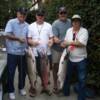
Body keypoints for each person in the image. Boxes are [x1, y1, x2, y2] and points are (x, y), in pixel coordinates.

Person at [61, 14, 88, 100]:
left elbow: (82, 43)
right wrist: (63, 43)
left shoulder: (84, 31)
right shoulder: (69, 30)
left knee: (82, 80)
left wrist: (69, 43)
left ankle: (81, 98)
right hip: (70, 58)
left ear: (80, 22)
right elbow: (65, 41)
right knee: (67, 77)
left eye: (77, 21)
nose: (75, 23)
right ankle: (65, 92)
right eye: (74, 21)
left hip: (81, 59)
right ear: (72, 22)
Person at [28, 9, 53, 96]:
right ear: (36, 16)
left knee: (46, 71)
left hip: (46, 53)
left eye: (42, 15)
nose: (40, 17)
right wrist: (32, 42)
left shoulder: (49, 26)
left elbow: (51, 38)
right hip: (35, 53)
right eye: (38, 15)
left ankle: (45, 87)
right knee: (34, 71)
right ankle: (33, 88)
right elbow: (29, 39)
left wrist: (51, 42)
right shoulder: (31, 26)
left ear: (44, 16)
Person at [5, 7, 28, 100]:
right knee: (11, 73)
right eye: (21, 13)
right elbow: (6, 34)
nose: (22, 15)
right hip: (12, 53)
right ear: (17, 13)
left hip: (23, 53)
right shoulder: (11, 22)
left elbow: (27, 38)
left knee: (23, 73)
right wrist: (18, 38)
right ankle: (11, 91)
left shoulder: (27, 25)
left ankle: (21, 87)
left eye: (24, 14)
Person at [52, 6, 71, 93]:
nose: (63, 14)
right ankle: (55, 84)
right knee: (55, 67)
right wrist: (60, 42)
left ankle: (63, 83)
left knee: (65, 67)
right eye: (61, 13)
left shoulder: (70, 22)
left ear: (67, 13)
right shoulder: (55, 23)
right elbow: (54, 38)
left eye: (64, 13)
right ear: (58, 14)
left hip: (67, 49)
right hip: (57, 49)